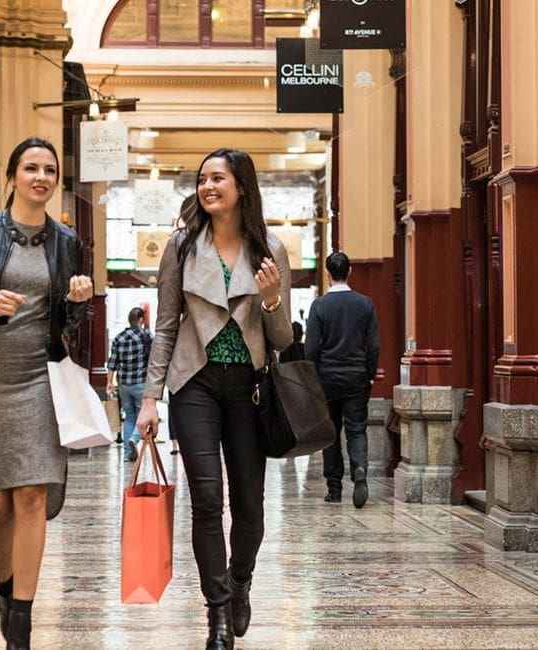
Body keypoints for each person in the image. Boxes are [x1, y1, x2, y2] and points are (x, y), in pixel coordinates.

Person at [137, 148, 292, 649]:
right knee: (206, 500)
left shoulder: (269, 249)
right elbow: (165, 328)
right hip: (195, 383)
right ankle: (218, 611)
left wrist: (271, 299)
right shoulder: (181, 247)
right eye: (202, 178)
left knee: (250, 506)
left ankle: (240, 580)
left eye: (218, 178)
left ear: (241, 186)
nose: (207, 186)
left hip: (248, 389)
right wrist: (150, 398)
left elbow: (283, 339)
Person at [0, 136, 94, 650]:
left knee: (32, 494)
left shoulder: (66, 241)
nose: (41, 177)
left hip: (41, 376)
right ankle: (4, 592)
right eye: (31, 168)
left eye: (50, 170)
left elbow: (69, 322)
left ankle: (22, 625)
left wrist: (79, 302)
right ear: (12, 176)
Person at [305, 251, 380, 509]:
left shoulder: (319, 306)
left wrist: (314, 375)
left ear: (328, 275)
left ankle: (334, 488)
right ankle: (359, 467)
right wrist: (370, 374)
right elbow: (374, 345)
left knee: (331, 432)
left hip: (327, 377)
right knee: (356, 428)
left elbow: (311, 348)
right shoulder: (365, 304)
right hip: (357, 375)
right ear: (349, 272)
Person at [106, 306, 152, 462]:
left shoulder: (119, 338)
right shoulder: (146, 336)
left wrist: (109, 382)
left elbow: (112, 363)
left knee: (129, 416)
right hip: (141, 383)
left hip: (124, 385)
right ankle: (135, 438)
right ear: (140, 320)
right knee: (142, 415)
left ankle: (127, 453)